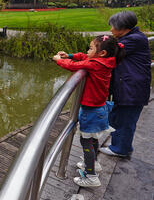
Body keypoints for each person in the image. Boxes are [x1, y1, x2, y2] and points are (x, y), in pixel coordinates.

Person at [53, 35, 125, 187]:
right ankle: (94, 163)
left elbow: (73, 66)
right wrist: (70, 55)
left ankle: (91, 175)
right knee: (92, 139)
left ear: (102, 53)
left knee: (86, 142)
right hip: (99, 109)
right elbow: (84, 57)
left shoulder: (96, 64)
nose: (87, 50)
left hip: (91, 112)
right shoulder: (104, 61)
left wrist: (59, 60)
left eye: (91, 48)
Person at [99, 11, 152, 157]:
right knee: (119, 117)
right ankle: (121, 146)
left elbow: (105, 53)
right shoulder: (133, 37)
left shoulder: (132, 40)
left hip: (132, 89)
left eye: (113, 26)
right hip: (128, 87)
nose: (111, 30)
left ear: (123, 27)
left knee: (125, 119)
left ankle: (120, 149)